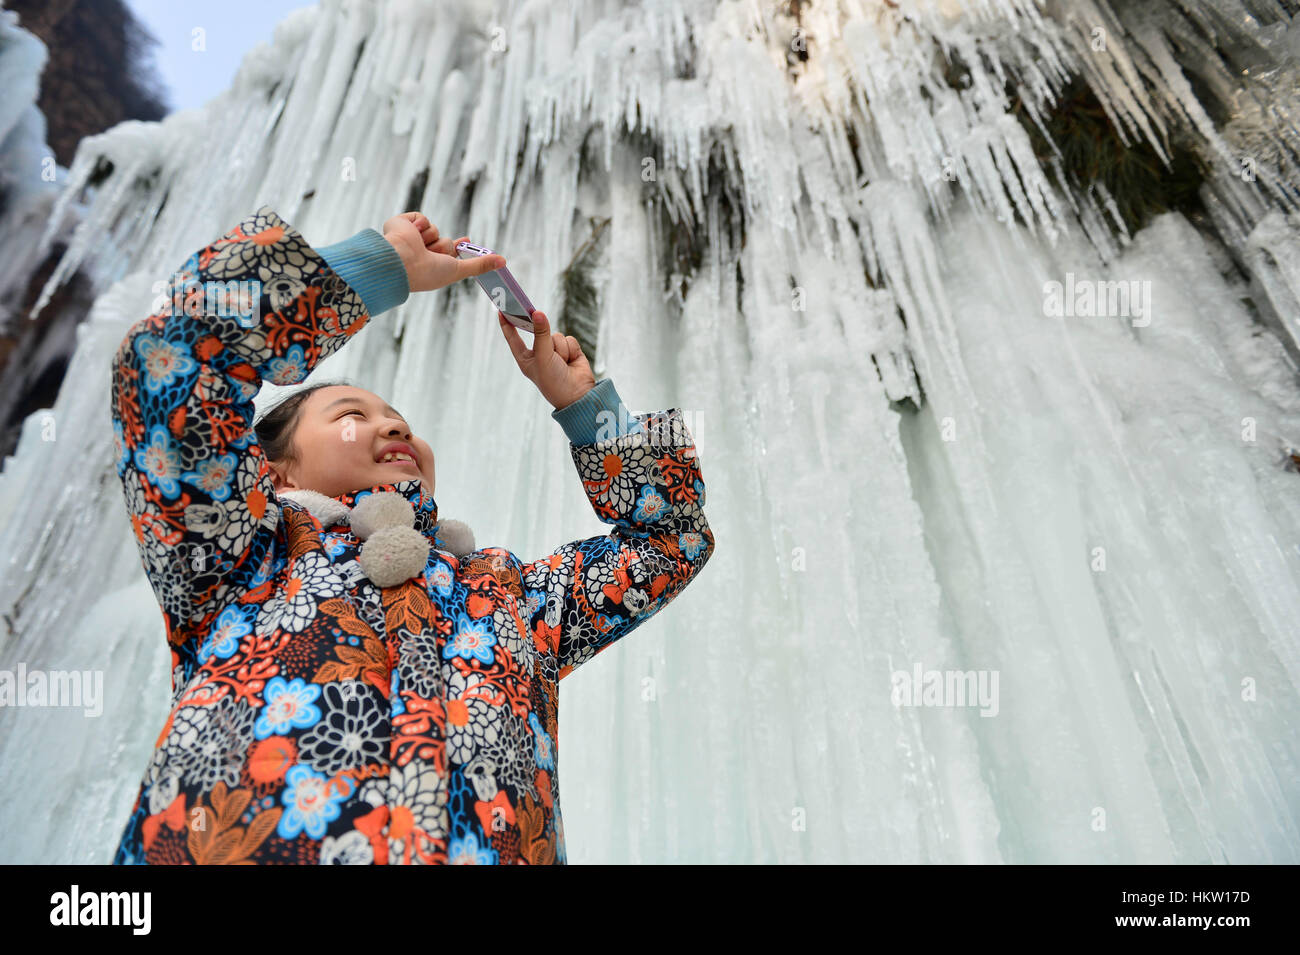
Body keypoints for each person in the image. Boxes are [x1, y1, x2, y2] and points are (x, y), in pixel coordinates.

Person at [108, 206, 715, 864]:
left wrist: (590, 409)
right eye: (351, 415)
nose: (395, 428)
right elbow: (168, 357)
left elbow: (671, 539)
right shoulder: (240, 554)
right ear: (270, 470)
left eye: (402, 421)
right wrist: (374, 269)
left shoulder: (512, 596)